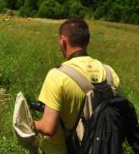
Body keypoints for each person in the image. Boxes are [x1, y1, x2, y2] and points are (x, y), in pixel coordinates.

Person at [33, 19, 120, 154]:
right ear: (87, 41)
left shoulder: (57, 75)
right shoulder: (109, 72)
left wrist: (29, 123)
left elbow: (48, 128)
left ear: (63, 40)